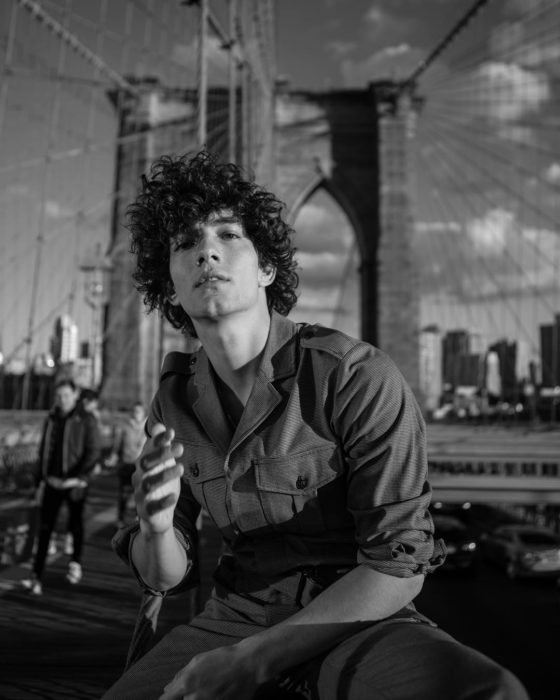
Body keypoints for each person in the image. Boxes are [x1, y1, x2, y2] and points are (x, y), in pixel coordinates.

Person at [103, 151, 528, 699]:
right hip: (234, 616)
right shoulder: (172, 402)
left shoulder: (356, 377)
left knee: (488, 692)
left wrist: (250, 662)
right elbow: (165, 577)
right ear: (171, 285)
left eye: (229, 234)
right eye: (185, 243)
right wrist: (157, 528)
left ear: (267, 269)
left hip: (353, 618)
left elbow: (399, 564)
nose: (206, 249)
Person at [21, 378, 102, 595]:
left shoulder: (86, 419)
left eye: (66, 395)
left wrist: (81, 477)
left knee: (75, 524)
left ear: (75, 395)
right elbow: (43, 450)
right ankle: (35, 576)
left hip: (74, 482)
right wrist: (39, 478)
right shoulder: (51, 418)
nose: (62, 400)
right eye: (58, 396)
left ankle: (75, 562)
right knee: (45, 528)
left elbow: (94, 450)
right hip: (52, 481)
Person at [110, 401, 147, 526]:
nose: (136, 414)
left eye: (138, 411)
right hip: (127, 464)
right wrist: (113, 456)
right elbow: (117, 446)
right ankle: (120, 519)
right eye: (134, 411)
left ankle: (139, 518)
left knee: (141, 493)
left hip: (142, 466)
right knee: (124, 494)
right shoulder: (124, 426)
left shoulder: (148, 427)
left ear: (143, 413)